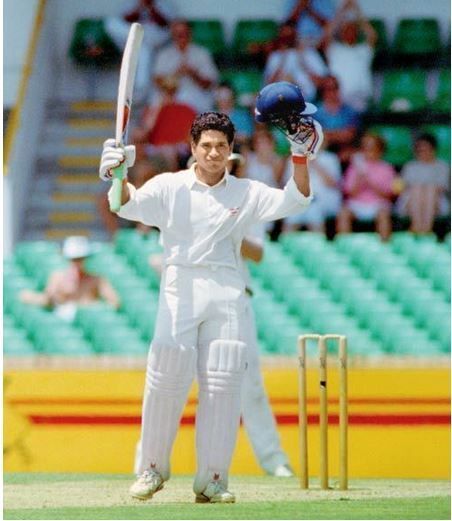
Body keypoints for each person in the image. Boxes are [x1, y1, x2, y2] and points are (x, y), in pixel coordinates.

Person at [99, 106, 322, 502]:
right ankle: (151, 469)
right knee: (166, 374)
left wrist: (300, 157)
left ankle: (213, 478)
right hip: (179, 283)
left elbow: (297, 199)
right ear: (192, 148)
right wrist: (116, 174)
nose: (214, 153)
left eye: (221, 146)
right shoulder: (169, 186)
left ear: (231, 148)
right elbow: (124, 204)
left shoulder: (245, 191)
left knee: (223, 383)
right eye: (207, 146)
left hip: (226, 286)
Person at [19, 236, 120, 322]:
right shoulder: (57, 277)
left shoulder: (96, 279)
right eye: (74, 259)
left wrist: (89, 306)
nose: (77, 263)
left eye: (80, 259)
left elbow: (115, 302)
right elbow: (47, 299)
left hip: (88, 322)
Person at [104, 0, 174, 102]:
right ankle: (141, 90)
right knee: (111, 23)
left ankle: (138, 36)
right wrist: (140, 7)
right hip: (136, 37)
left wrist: (151, 7)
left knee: (143, 44)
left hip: (155, 34)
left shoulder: (165, 3)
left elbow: (164, 23)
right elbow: (126, 19)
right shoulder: (133, 2)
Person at [336, 132, 396, 241]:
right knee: (343, 213)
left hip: (378, 204)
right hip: (357, 203)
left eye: (372, 148)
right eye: (365, 148)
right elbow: (350, 193)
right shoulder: (354, 167)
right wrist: (359, 178)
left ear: (380, 150)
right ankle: (345, 245)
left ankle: (384, 246)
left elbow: (387, 195)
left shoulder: (387, 168)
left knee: (383, 215)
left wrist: (369, 182)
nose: (367, 151)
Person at [320, 0, 377, 112]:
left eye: (353, 30)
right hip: (337, 99)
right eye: (346, 30)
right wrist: (341, 11)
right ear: (341, 33)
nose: (350, 32)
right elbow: (326, 34)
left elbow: (372, 35)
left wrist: (357, 11)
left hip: (359, 99)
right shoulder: (335, 50)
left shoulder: (363, 50)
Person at [152, 20, 219, 113]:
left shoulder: (202, 53)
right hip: (170, 95)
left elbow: (209, 83)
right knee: (156, 102)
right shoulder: (164, 54)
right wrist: (176, 74)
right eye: (177, 33)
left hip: (197, 96)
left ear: (190, 33)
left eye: (184, 33)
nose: (181, 36)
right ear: (172, 35)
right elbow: (157, 81)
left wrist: (193, 74)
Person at [132, 76, 196, 170]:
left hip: (179, 150)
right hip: (155, 149)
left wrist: (174, 146)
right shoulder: (153, 110)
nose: (168, 93)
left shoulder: (187, 110)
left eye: (171, 90)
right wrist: (157, 108)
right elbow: (143, 133)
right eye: (165, 89)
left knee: (169, 152)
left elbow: (191, 136)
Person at [282, 135, 342, 233]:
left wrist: (315, 163)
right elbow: (289, 185)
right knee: (293, 213)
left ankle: (319, 245)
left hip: (325, 199)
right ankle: (286, 244)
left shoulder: (331, 158)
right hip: (301, 199)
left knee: (314, 210)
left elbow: (333, 184)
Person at [395, 133, 450, 234]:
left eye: (426, 149)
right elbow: (400, 187)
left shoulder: (443, 166)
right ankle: (418, 226)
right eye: (420, 150)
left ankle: (425, 228)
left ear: (433, 149)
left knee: (430, 190)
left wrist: (425, 191)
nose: (423, 153)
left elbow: (443, 187)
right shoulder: (409, 166)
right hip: (411, 201)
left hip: (437, 201)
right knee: (417, 190)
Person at [263, 23, 329, 103]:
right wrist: (282, 61)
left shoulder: (310, 53)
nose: (287, 40)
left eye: (290, 36)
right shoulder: (275, 57)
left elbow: (322, 83)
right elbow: (268, 85)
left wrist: (304, 63)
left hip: (308, 100)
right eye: (284, 36)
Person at [314, 75, 360, 166]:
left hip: (343, 150)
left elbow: (349, 136)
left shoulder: (349, 111)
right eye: (327, 89)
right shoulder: (315, 112)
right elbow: (316, 136)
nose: (331, 92)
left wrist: (327, 134)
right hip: (322, 151)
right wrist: (339, 134)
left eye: (334, 88)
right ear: (322, 91)